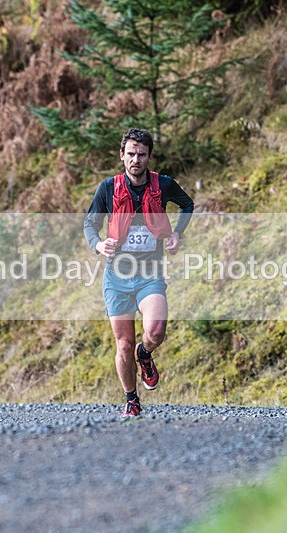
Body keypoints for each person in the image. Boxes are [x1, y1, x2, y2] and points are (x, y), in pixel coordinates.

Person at [84, 128, 194, 417]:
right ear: (122, 156)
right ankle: (132, 399)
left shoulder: (164, 184)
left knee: (155, 331)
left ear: (149, 157)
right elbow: (89, 224)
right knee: (123, 344)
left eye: (141, 154)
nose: (136, 160)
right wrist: (98, 245)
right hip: (116, 277)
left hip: (150, 273)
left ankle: (145, 355)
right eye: (130, 154)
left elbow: (187, 205)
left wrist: (176, 235)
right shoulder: (108, 188)